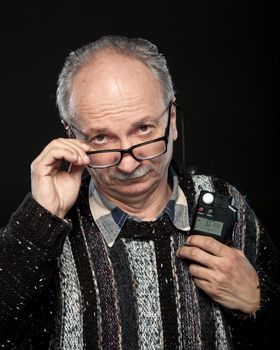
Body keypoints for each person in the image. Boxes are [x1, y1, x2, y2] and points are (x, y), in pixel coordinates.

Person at [0, 34, 279, 350]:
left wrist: (259, 302)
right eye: (102, 138)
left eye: (143, 129)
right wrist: (39, 218)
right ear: (71, 135)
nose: (129, 164)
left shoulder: (228, 203)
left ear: (171, 121)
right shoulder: (47, 227)